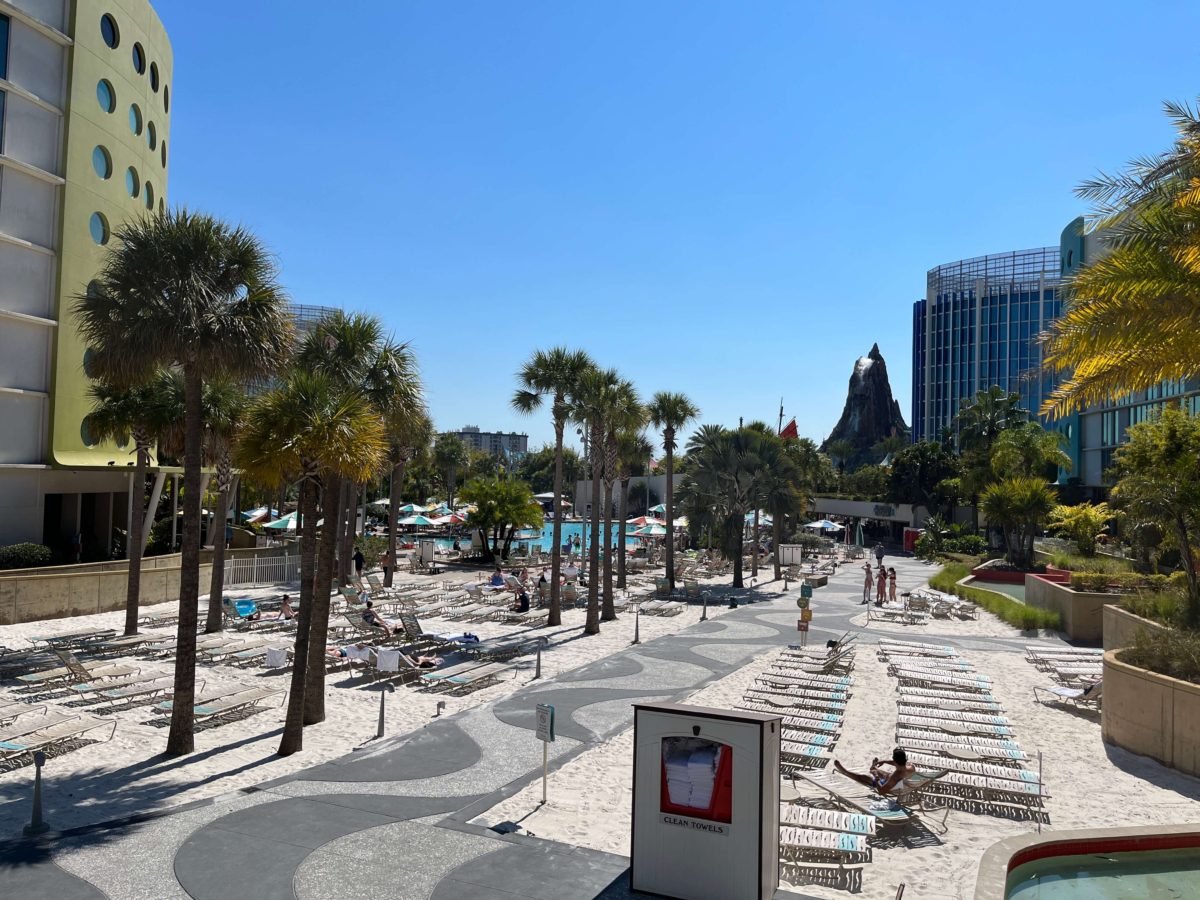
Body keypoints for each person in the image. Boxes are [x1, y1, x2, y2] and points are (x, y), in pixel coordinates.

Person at [833, 748, 915, 796]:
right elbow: (899, 763)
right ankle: (874, 768)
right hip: (896, 782)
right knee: (881, 772)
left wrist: (876, 777)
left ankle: (845, 771)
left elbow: (881, 791)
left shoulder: (895, 776)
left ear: (895, 760)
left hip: (887, 785)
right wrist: (885, 761)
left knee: (863, 777)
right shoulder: (911, 767)